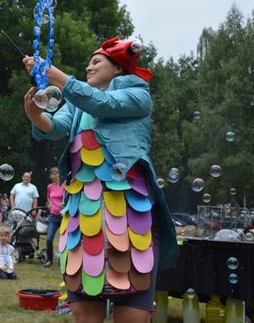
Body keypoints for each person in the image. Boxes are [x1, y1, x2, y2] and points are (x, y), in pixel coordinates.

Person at [22, 37, 178, 323]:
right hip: (82, 215)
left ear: (118, 69)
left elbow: (102, 103)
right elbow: (55, 128)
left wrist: (53, 73)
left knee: (132, 315)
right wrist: (34, 112)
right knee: (84, 316)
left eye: (96, 62)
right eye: (88, 63)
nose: (88, 66)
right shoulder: (77, 104)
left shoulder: (137, 92)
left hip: (131, 215)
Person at [44, 167, 64, 268]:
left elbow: (69, 198)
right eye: (51, 174)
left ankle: (63, 261)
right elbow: (48, 197)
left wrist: (64, 208)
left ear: (59, 174)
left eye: (55, 173)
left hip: (64, 217)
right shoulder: (50, 186)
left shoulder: (64, 185)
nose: (53, 176)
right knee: (49, 239)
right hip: (53, 216)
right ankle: (49, 260)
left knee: (63, 241)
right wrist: (50, 204)